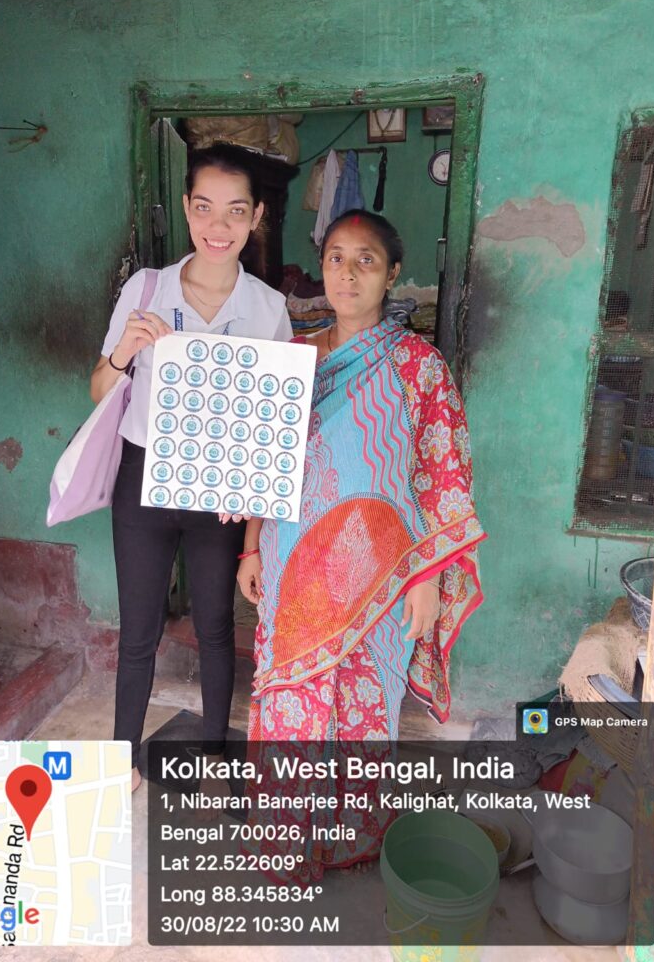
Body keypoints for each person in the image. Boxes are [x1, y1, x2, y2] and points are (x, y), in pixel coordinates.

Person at [238, 209, 485, 874]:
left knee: (363, 704)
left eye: (366, 260)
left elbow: (442, 478)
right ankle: (286, 841)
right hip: (294, 561)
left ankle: (349, 838)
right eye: (336, 258)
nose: (348, 273)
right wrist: (252, 546)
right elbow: (265, 463)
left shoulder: (419, 367)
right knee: (292, 700)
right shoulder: (294, 360)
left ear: (393, 273)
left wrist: (427, 579)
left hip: (383, 572)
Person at [91, 143, 292, 793]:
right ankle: (121, 761)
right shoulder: (147, 289)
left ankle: (218, 759)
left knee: (214, 627)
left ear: (256, 216)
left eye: (235, 211)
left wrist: (250, 487)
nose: (218, 225)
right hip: (143, 478)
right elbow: (99, 390)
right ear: (185, 208)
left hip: (219, 491)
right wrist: (124, 350)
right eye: (204, 207)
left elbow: (275, 421)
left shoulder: (267, 308)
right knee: (138, 631)